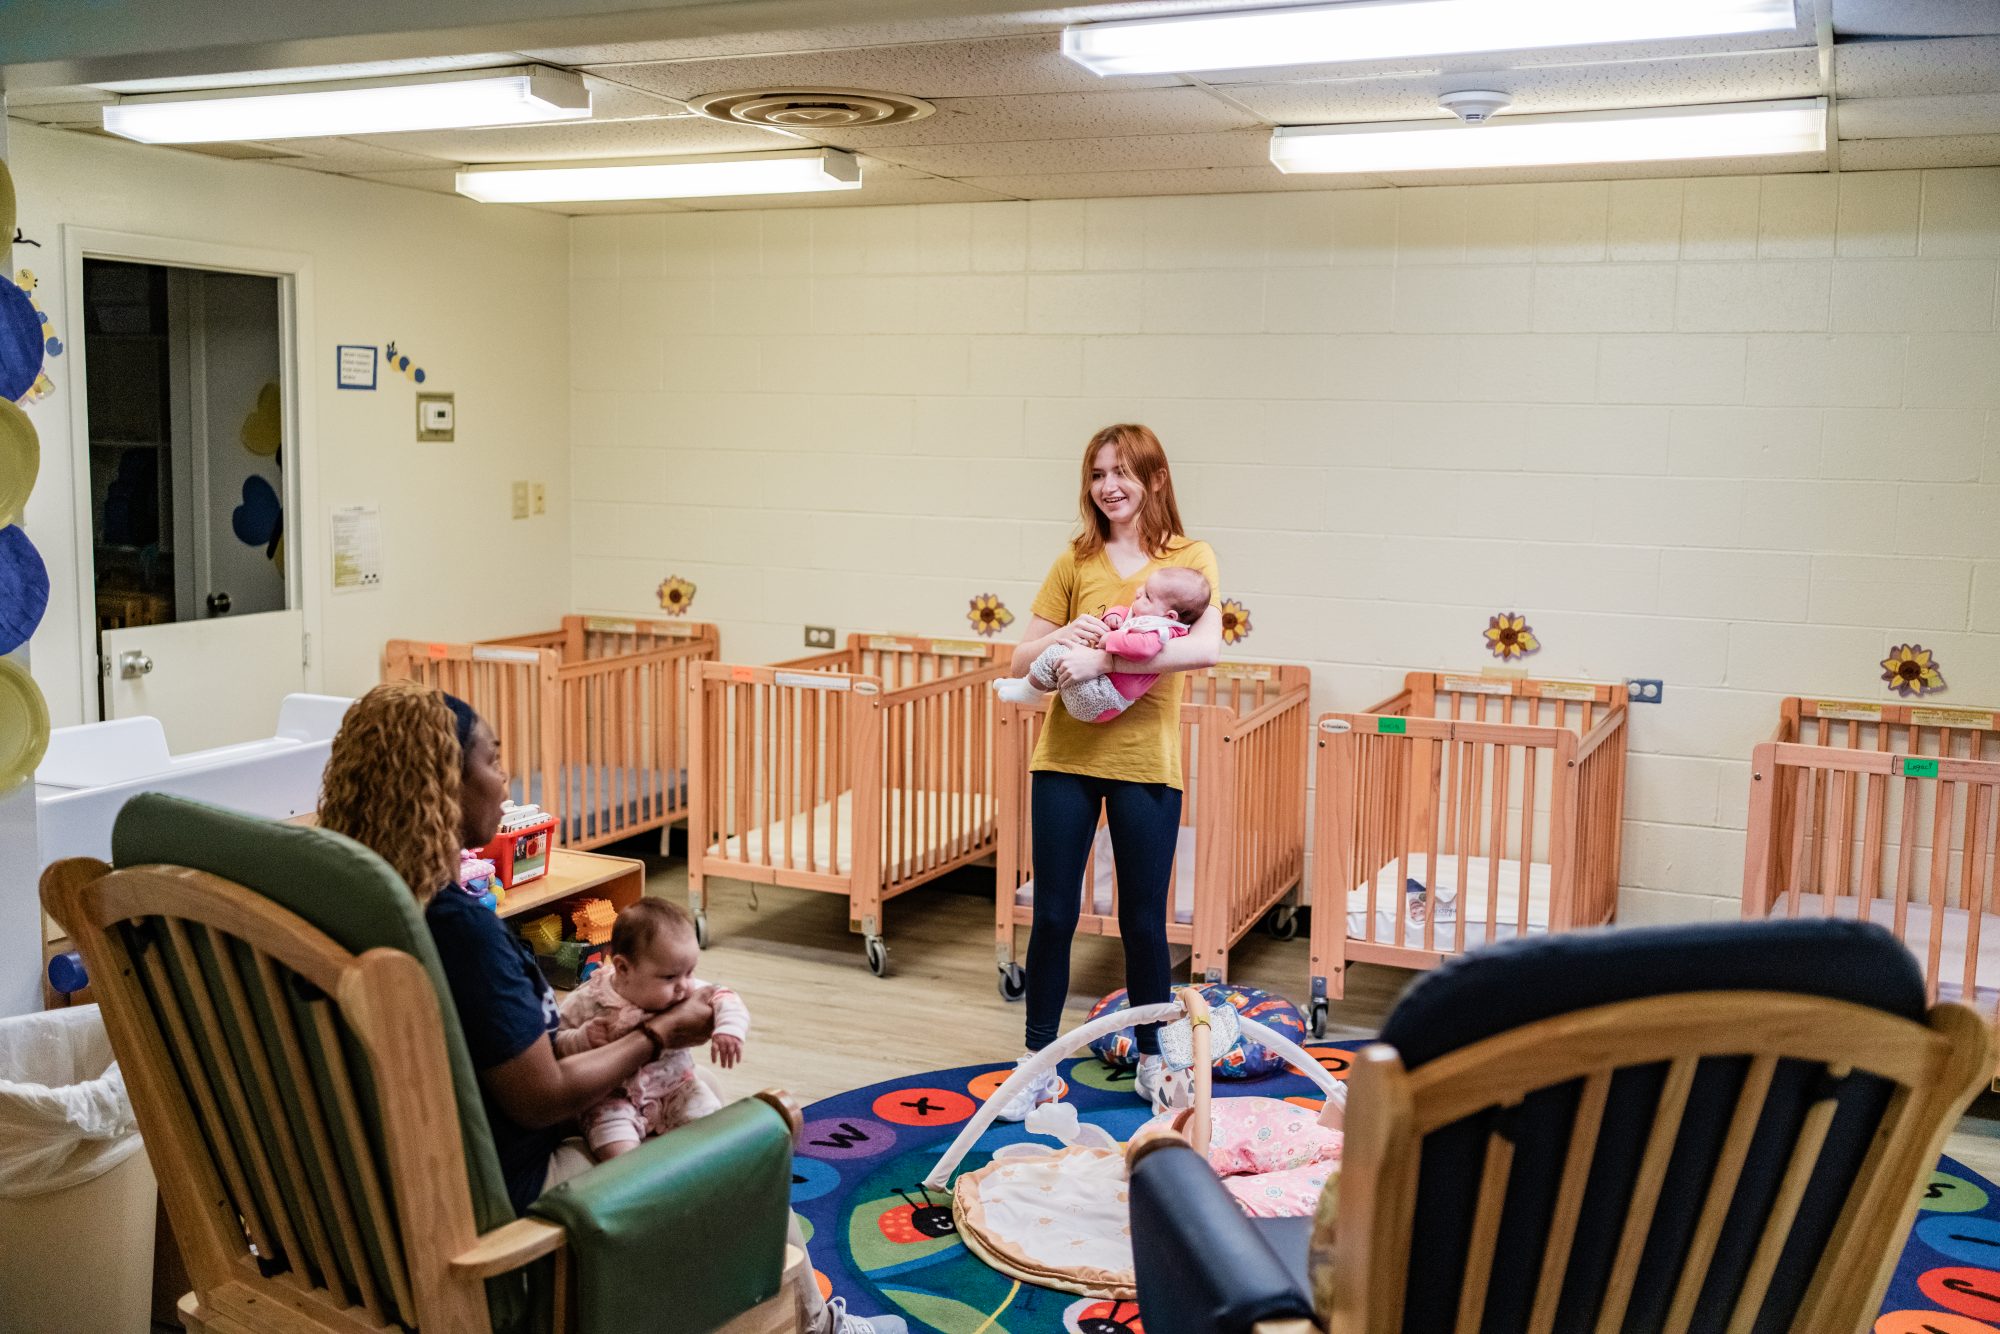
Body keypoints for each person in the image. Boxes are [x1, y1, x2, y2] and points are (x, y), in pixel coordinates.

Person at [318, 681, 904, 1334]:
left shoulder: (354, 901)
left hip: (379, 1193)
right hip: (505, 1209)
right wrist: (657, 1032)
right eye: (491, 756)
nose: (505, 772)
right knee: (755, 1142)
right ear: (439, 785)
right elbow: (542, 1097)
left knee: (691, 1089)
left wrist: (604, 1017)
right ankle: (818, 1329)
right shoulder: (457, 930)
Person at [998, 423, 1222, 1121]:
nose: (1108, 486)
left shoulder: (1192, 559)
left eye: (1122, 471)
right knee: (1055, 914)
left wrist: (1108, 662)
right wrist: (1071, 638)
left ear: (1154, 478)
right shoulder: (1076, 559)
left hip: (1144, 764)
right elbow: (1016, 660)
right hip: (1065, 757)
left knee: (1144, 923)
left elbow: (1205, 649)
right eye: (1097, 473)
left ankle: (1156, 1060)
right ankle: (1036, 1065)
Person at [557, 898, 750, 1161]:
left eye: (690, 972)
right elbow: (555, 1042)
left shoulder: (683, 991)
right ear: (623, 968)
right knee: (613, 1145)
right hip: (612, 1097)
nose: (684, 986)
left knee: (714, 1129)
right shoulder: (590, 998)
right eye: (670, 977)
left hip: (676, 1087)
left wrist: (729, 1028)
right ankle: (640, 1182)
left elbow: (723, 996)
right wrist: (581, 1040)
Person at [994, 566, 1211, 722]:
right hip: (1096, 690)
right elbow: (1124, 612)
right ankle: (1028, 686)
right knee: (1061, 653)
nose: (1138, 593)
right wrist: (1113, 616)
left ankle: (1029, 692)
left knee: (1060, 653)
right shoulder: (1147, 616)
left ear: (1170, 615)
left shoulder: (1163, 631)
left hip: (1103, 699)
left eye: (1147, 596)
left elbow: (1143, 647)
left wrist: (1110, 639)